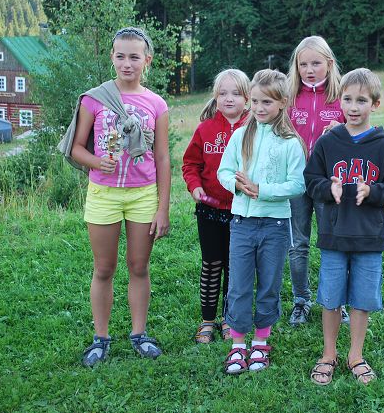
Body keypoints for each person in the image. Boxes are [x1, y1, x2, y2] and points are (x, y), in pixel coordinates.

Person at [69, 27, 171, 366]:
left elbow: (162, 158)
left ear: (147, 60)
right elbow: (76, 148)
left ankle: (139, 335)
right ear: (111, 57)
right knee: (104, 268)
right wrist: (97, 162)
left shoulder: (156, 103)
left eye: (134, 57)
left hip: (143, 195)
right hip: (104, 194)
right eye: (121, 56)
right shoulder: (94, 99)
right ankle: (100, 338)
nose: (127, 63)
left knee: (139, 266)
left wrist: (163, 208)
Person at [306, 68, 384, 385]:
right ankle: (329, 354)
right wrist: (327, 188)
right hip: (334, 236)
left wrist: (371, 191)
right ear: (340, 101)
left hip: (369, 238)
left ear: (375, 104)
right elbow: (311, 179)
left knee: (361, 300)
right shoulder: (328, 142)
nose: (353, 107)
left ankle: (355, 355)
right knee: (331, 298)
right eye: (347, 99)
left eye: (361, 100)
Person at [217, 69, 306, 374]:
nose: (259, 107)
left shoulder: (290, 142)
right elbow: (224, 171)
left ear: (282, 103)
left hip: (275, 225)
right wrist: (237, 185)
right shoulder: (241, 135)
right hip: (242, 222)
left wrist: (262, 190)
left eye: (266, 102)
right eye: (254, 101)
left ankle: (261, 342)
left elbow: (297, 184)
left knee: (268, 284)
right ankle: (238, 345)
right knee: (239, 285)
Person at [182, 69, 250, 343]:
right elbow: (190, 164)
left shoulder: (255, 129)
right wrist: (194, 186)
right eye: (223, 93)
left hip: (242, 210)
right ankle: (207, 320)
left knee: (234, 267)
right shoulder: (205, 129)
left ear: (247, 98)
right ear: (215, 97)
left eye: (236, 93)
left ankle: (228, 319)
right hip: (209, 210)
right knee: (211, 263)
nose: (229, 99)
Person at [286, 36, 347, 326]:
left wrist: (341, 130)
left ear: (329, 64)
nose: (309, 70)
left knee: (331, 243)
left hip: (328, 182)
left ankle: (335, 302)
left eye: (316, 63)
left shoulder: (341, 95)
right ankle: (301, 300)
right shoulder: (289, 96)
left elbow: (358, 131)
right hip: (296, 182)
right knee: (298, 244)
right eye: (303, 64)